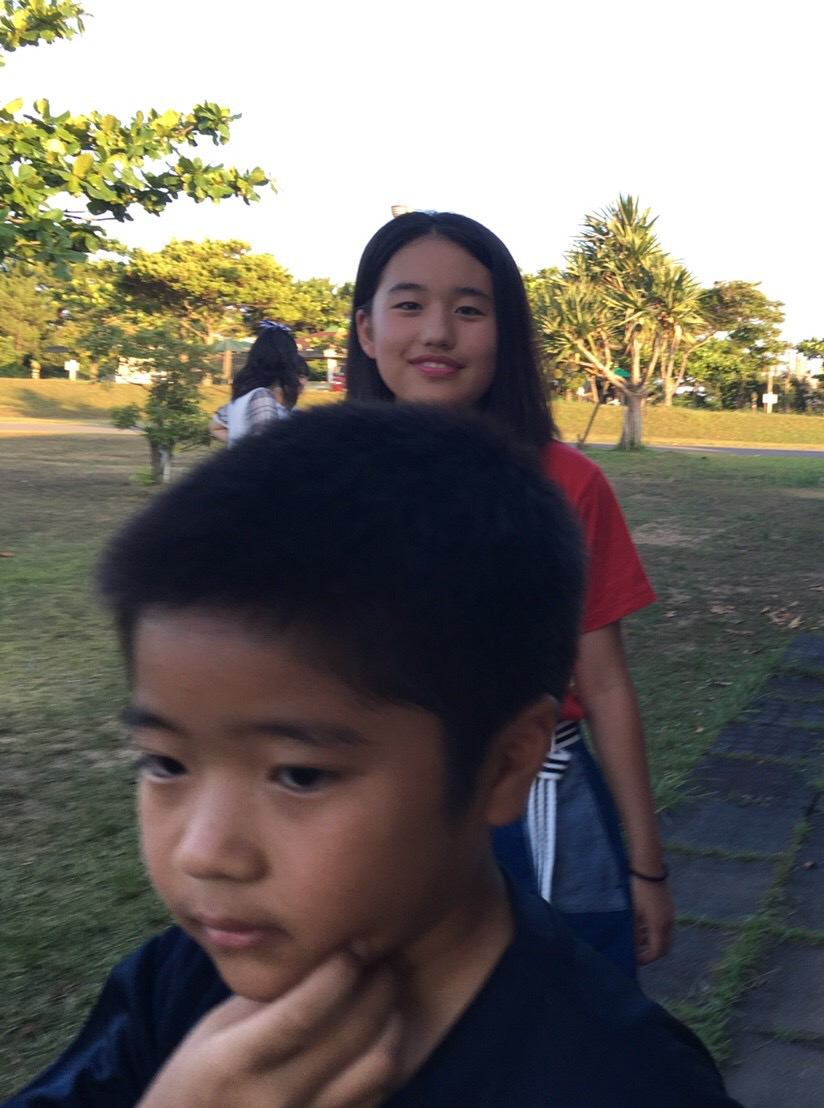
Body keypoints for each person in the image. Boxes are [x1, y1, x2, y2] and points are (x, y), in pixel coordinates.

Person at [7, 404, 738, 1107]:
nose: (205, 854)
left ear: (505, 764)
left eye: (299, 775)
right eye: (165, 763)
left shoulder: (624, 1081)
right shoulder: (175, 988)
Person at [343, 211, 671, 977]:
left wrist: (647, 864)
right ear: (366, 329)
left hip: (546, 808)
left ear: (505, 331)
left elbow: (606, 683)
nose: (437, 333)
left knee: (566, 1040)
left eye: (469, 309)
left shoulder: (569, 485)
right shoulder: (319, 482)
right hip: (372, 812)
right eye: (409, 304)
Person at [208, 322, 309, 446]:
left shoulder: (243, 395)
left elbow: (215, 427)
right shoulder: (262, 397)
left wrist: (238, 448)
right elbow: (267, 447)